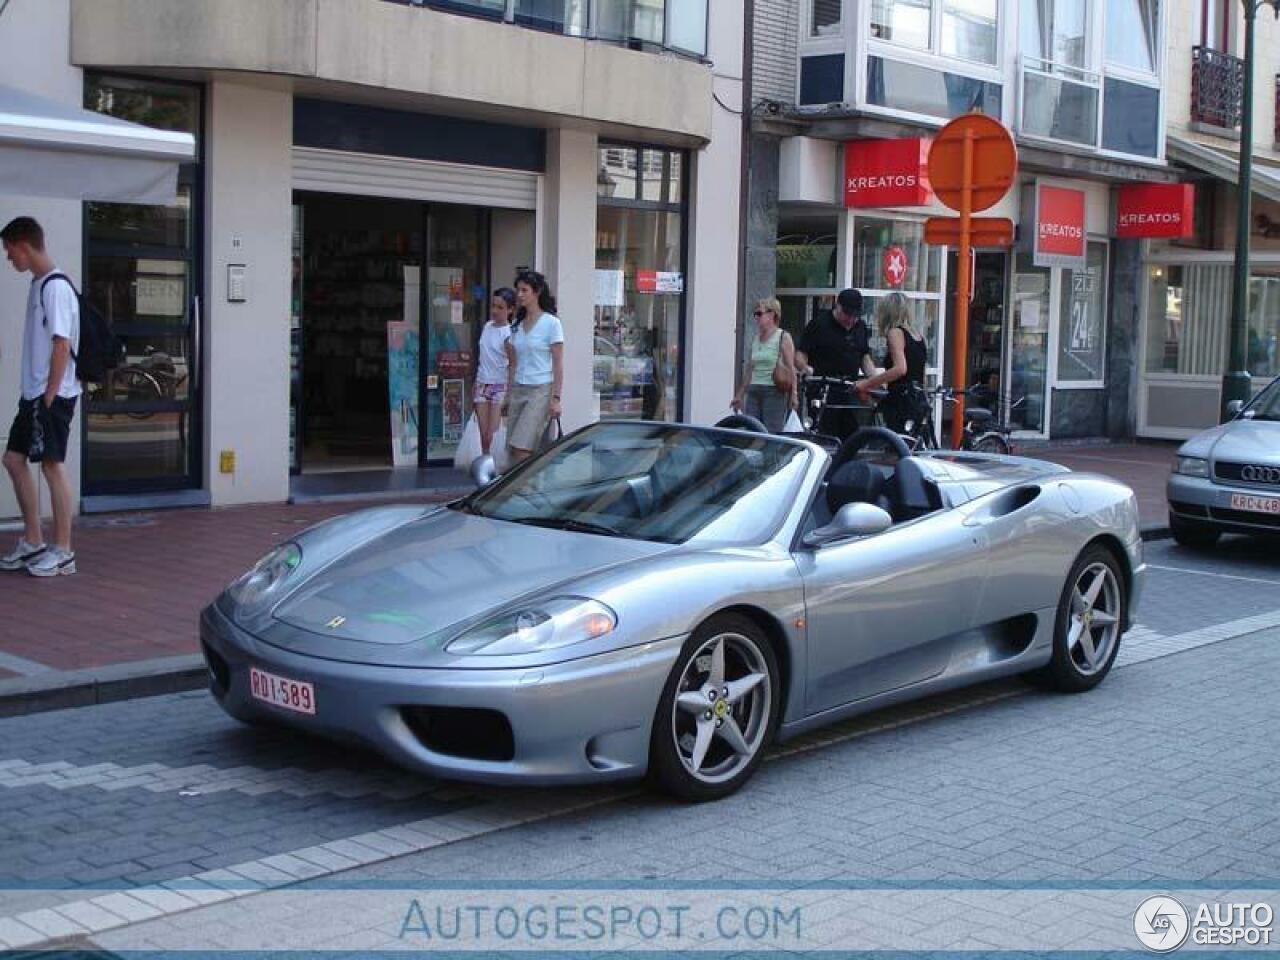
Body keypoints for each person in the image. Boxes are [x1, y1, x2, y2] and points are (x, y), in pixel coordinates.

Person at [0, 217, 81, 577]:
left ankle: (63, 550)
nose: (8, 258)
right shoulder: (39, 284)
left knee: (51, 465)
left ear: (23, 245)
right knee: (14, 460)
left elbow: (62, 344)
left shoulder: (55, 288)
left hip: (52, 395)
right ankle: (33, 540)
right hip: (33, 394)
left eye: (8, 250)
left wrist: (49, 395)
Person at [796, 287, 876, 439]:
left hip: (850, 391)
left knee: (853, 435)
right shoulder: (819, 324)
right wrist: (805, 368)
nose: (851, 320)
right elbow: (801, 353)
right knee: (824, 433)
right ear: (837, 306)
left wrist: (875, 380)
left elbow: (864, 358)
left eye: (855, 316)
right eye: (847, 314)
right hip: (824, 390)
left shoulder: (861, 327)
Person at [505, 270, 564, 464]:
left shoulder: (551, 324)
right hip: (519, 388)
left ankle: (524, 491)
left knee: (523, 447)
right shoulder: (517, 325)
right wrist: (507, 394)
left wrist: (556, 398)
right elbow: (513, 363)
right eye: (518, 290)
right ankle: (520, 490)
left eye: (524, 290)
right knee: (512, 448)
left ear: (536, 292)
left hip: (540, 390)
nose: (520, 295)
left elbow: (558, 363)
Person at [857, 292, 928, 435]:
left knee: (894, 443)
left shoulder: (895, 333)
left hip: (901, 401)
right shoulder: (918, 335)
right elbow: (922, 373)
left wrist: (868, 383)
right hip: (918, 399)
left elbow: (900, 369)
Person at [732, 297, 796, 432]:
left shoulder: (783, 336)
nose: (757, 317)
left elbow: (791, 368)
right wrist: (740, 394)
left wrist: (794, 394)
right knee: (751, 429)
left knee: (771, 431)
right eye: (755, 314)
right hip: (754, 389)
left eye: (760, 313)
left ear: (773, 314)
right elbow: (750, 368)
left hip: (773, 390)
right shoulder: (756, 338)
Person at [474, 288, 517, 456]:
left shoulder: (510, 333)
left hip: (500, 385)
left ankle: (496, 469)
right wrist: (475, 384)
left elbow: (513, 364)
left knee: (494, 434)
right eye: (493, 306)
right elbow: (483, 356)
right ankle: (485, 466)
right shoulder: (487, 326)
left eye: (500, 307)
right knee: (483, 435)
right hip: (482, 382)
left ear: (510, 310)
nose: (495, 311)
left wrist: (509, 393)